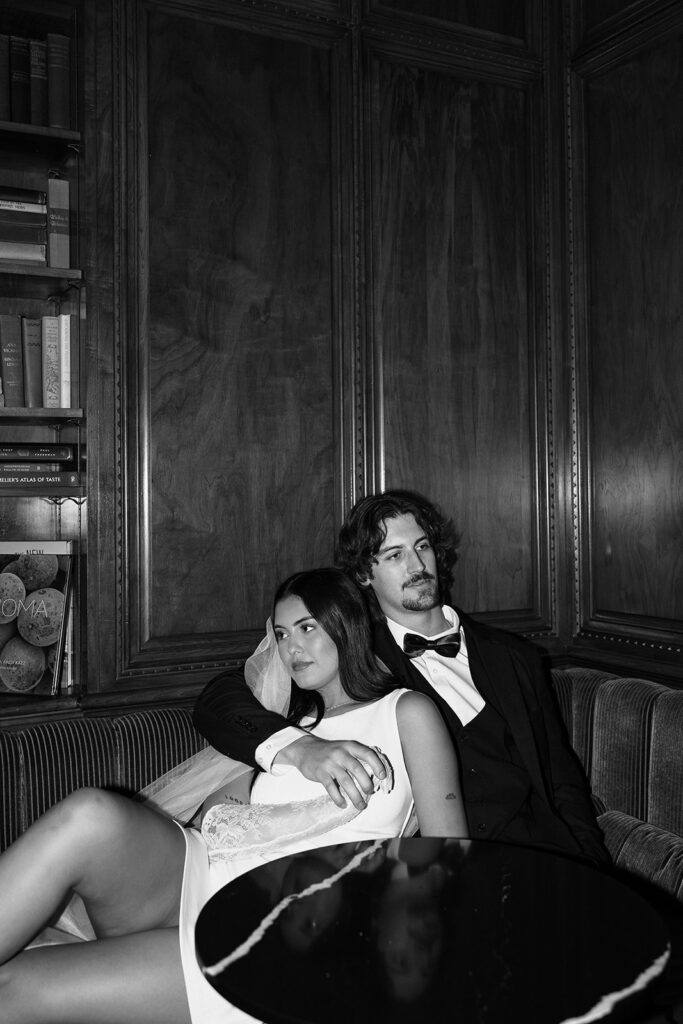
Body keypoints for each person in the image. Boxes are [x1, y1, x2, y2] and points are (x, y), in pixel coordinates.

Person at [0, 567, 467, 1024]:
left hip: (275, 928)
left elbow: (452, 861)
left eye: (307, 628)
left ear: (347, 624)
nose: (291, 648)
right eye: (281, 634)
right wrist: (294, 751)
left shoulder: (406, 711)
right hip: (203, 875)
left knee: (14, 987)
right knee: (91, 813)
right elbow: (217, 815)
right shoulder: (282, 725)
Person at [194, 490, 609, 866]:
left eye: (422, 547)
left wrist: (593, 867)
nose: (416, 565)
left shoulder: (516, 657)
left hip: (541, 860)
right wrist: (300, 748)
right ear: (363, 575)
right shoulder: (349, 653)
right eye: (394, 555)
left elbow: (562, 780)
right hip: (442, 872)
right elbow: (219, 701)